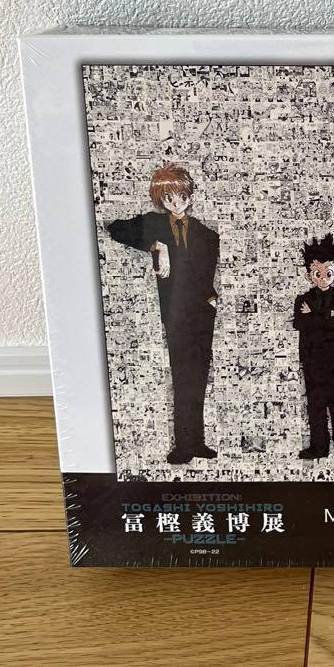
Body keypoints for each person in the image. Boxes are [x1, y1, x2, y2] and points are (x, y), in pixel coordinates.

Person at [107, 164, 219, 465]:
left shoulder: (206, 234)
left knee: (198, 377)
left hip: (201, 314)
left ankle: (198, 442)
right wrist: (158, 245)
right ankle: (184, 445)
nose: (175, 202)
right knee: (182, 378)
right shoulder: (154, 224)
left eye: (181, 196)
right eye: (168, 197)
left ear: (190, 196)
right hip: (174, 314)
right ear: (160, 199)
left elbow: (206, 275)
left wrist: (211, 300)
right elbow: (114, 228)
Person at [292, 234, 334, 460]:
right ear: (309, 275)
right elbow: (299, 323)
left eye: (328, 273)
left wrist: (314, 315)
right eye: (317, 273)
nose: (323, 278)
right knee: (315, 404)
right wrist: (328, 316)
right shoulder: (302, 299)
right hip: (311, 359)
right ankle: (318, 446)